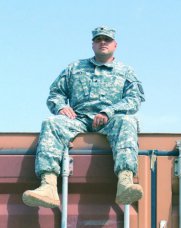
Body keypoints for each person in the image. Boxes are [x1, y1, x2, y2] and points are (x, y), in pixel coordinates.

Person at [22, 26, 145, 208]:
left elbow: (134, 99)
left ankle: (125, 182)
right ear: (92, 44)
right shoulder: (75, 68)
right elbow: (55, 93)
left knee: (127, 122)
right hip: (77, 118)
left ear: (115, 45)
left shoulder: (126, 71)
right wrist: (61, 106)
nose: (102, 42)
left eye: (107, 39)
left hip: (110, 120)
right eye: (98, 39)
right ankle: (48, 186)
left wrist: (109, 111)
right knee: (51, 123)